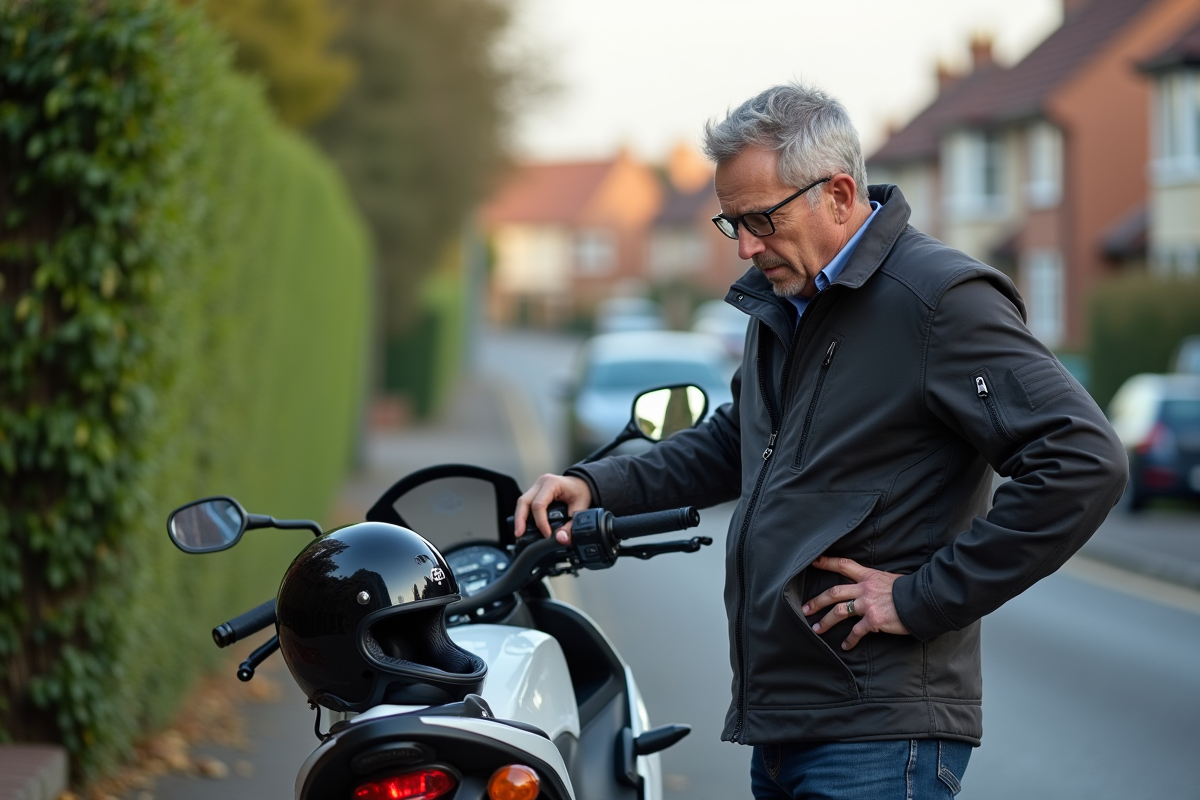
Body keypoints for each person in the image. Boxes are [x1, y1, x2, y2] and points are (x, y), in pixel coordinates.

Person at [514, 82, 1127, 799]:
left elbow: (1084, 461)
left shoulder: (939, 300)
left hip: (878, 729)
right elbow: (730, 443)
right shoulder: (785, 301)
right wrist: (597, 484)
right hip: (786, 721)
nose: (745, 246)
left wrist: (923, 597)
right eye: (730, 223)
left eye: (760, 220)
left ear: (837, 194)